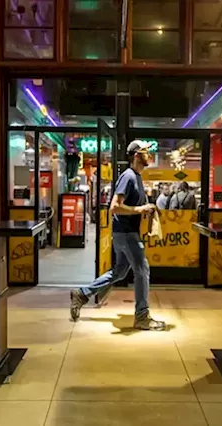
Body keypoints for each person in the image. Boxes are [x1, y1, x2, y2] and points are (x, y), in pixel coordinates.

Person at [69, 140, 165, 331]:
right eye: (146, 151)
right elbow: (114, 207)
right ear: (137, 155)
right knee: (142, 270)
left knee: (120, 272)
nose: (149, 154)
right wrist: (139, 209)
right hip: (127, 234)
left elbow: (126, 206)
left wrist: (145, 209)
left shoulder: (136, 177)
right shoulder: (128, 177)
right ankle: (142, 316)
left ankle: (82, 294)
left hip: (125, 234)